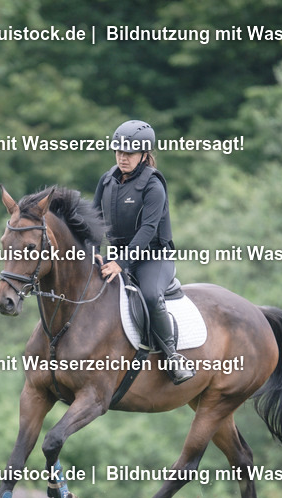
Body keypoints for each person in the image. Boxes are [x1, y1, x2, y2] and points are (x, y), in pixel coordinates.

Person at [93, 119, 195, 385]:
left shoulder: (153, 185)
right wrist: (93, 250)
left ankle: (173, 357)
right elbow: (93, 220)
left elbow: (148, 229)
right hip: (119, 256)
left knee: (150, 295)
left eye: (129, 153)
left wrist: (122, 263)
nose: (122, 158)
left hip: (153, 258)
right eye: (119, 152)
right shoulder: (107, 180)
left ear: (144, 154)